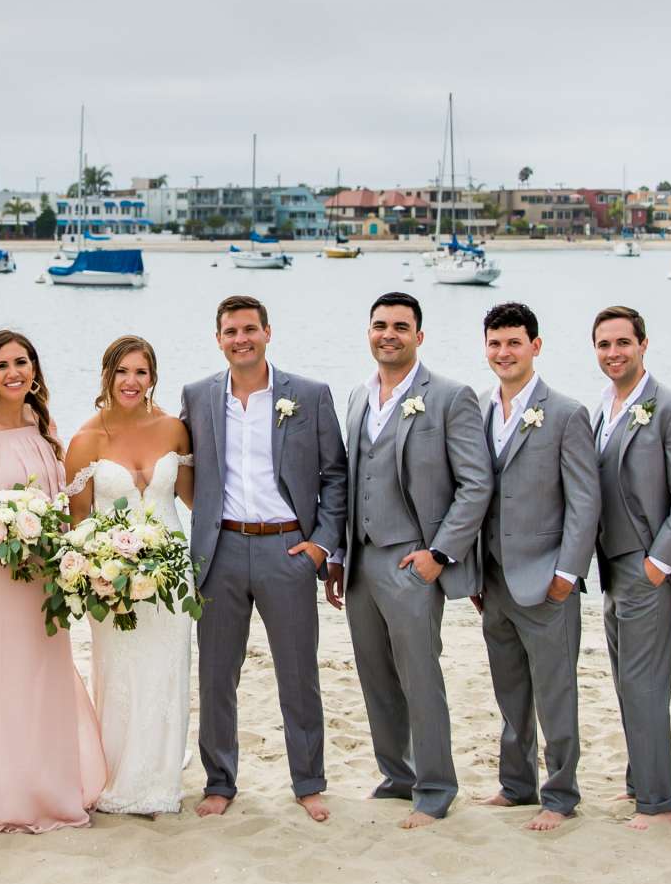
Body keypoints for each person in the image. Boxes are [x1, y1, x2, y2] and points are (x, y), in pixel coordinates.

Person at [179, 295, 347, 821]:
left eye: (250, 329)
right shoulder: (198, 396)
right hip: (221, 550)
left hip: (287, 548)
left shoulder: (310, 395)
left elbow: (335, 476)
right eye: (231, 332)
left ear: (268, 333)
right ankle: (219, 782)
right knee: (216, 673)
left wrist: (320, 545)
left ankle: (308, 781)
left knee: (298, 672)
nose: (241, 339)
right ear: (218, 339)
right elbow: (187, 471)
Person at [0, 330, 105, 836]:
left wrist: (48, 544)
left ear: (35, 370)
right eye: (4, 364)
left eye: (23, 362)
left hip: (38, 576)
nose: (15, 373)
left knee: (38, 674)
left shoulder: (40, 422)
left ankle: (42, 788)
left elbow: (57, 498)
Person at [329, 291, 492, 827]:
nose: (389, 334)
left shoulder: (449, 396)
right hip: (361, 564)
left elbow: (476, 483)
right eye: (380, 325)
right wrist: (338, 553)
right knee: (375, 677)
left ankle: (436, 785)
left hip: (413, 561)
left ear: (419, 335)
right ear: (369, 332)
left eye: (401, 326)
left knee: (420, 676)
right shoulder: (356, 396)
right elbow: (350, 480)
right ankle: (397, 774)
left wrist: (440, 553)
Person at [469, 302, 601, 830]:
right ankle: (515, 784)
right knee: (510, 692)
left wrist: (568, 573)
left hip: (547, 580)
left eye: (514, 343)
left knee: (555, 693)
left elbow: (585, 501)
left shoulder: (566, 413)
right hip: (493, 580)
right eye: (495, 343)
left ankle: (561, 793)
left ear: (536, 346)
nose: (504, 353)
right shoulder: (476, 407)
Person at [64, 335, 196, 817]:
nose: (131, 382)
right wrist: (97, 571)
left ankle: (161, 777)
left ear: (153, 377)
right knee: (120, 671)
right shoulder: (85, 440)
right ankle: (119, 773)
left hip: (173, 573)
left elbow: (192, 498)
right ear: (107, 375)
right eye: (123, 371)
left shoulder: (174, 429)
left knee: (167, 669)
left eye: (141, 372)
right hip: (111, 576)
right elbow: (78, 522)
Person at [587, 305, 671, 829]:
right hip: (612, 569)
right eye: (604, 344)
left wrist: (659, 563)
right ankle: (640, 783)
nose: (613, 353)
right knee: (627, 683)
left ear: (643, 344)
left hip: (648, 568)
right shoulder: (603, 408)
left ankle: (659, 804)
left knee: (644, 685)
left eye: (622, 343)